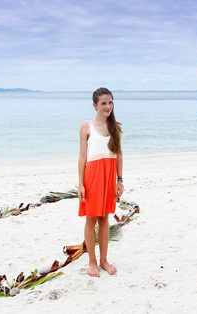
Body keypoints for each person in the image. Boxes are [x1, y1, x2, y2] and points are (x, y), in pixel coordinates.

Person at [78, 87, 124, 277]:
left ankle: (104, 260)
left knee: (104, 219)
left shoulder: (116, 126)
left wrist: (119, 180)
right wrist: (80, 184)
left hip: (109, 176)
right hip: (92, 177)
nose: (108, 106)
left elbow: (119, 154)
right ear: (95, 105)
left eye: (110, 102)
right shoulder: (86, 126)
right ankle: (92, 262)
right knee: (91, 220)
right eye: (104, 103)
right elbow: (82, 156)